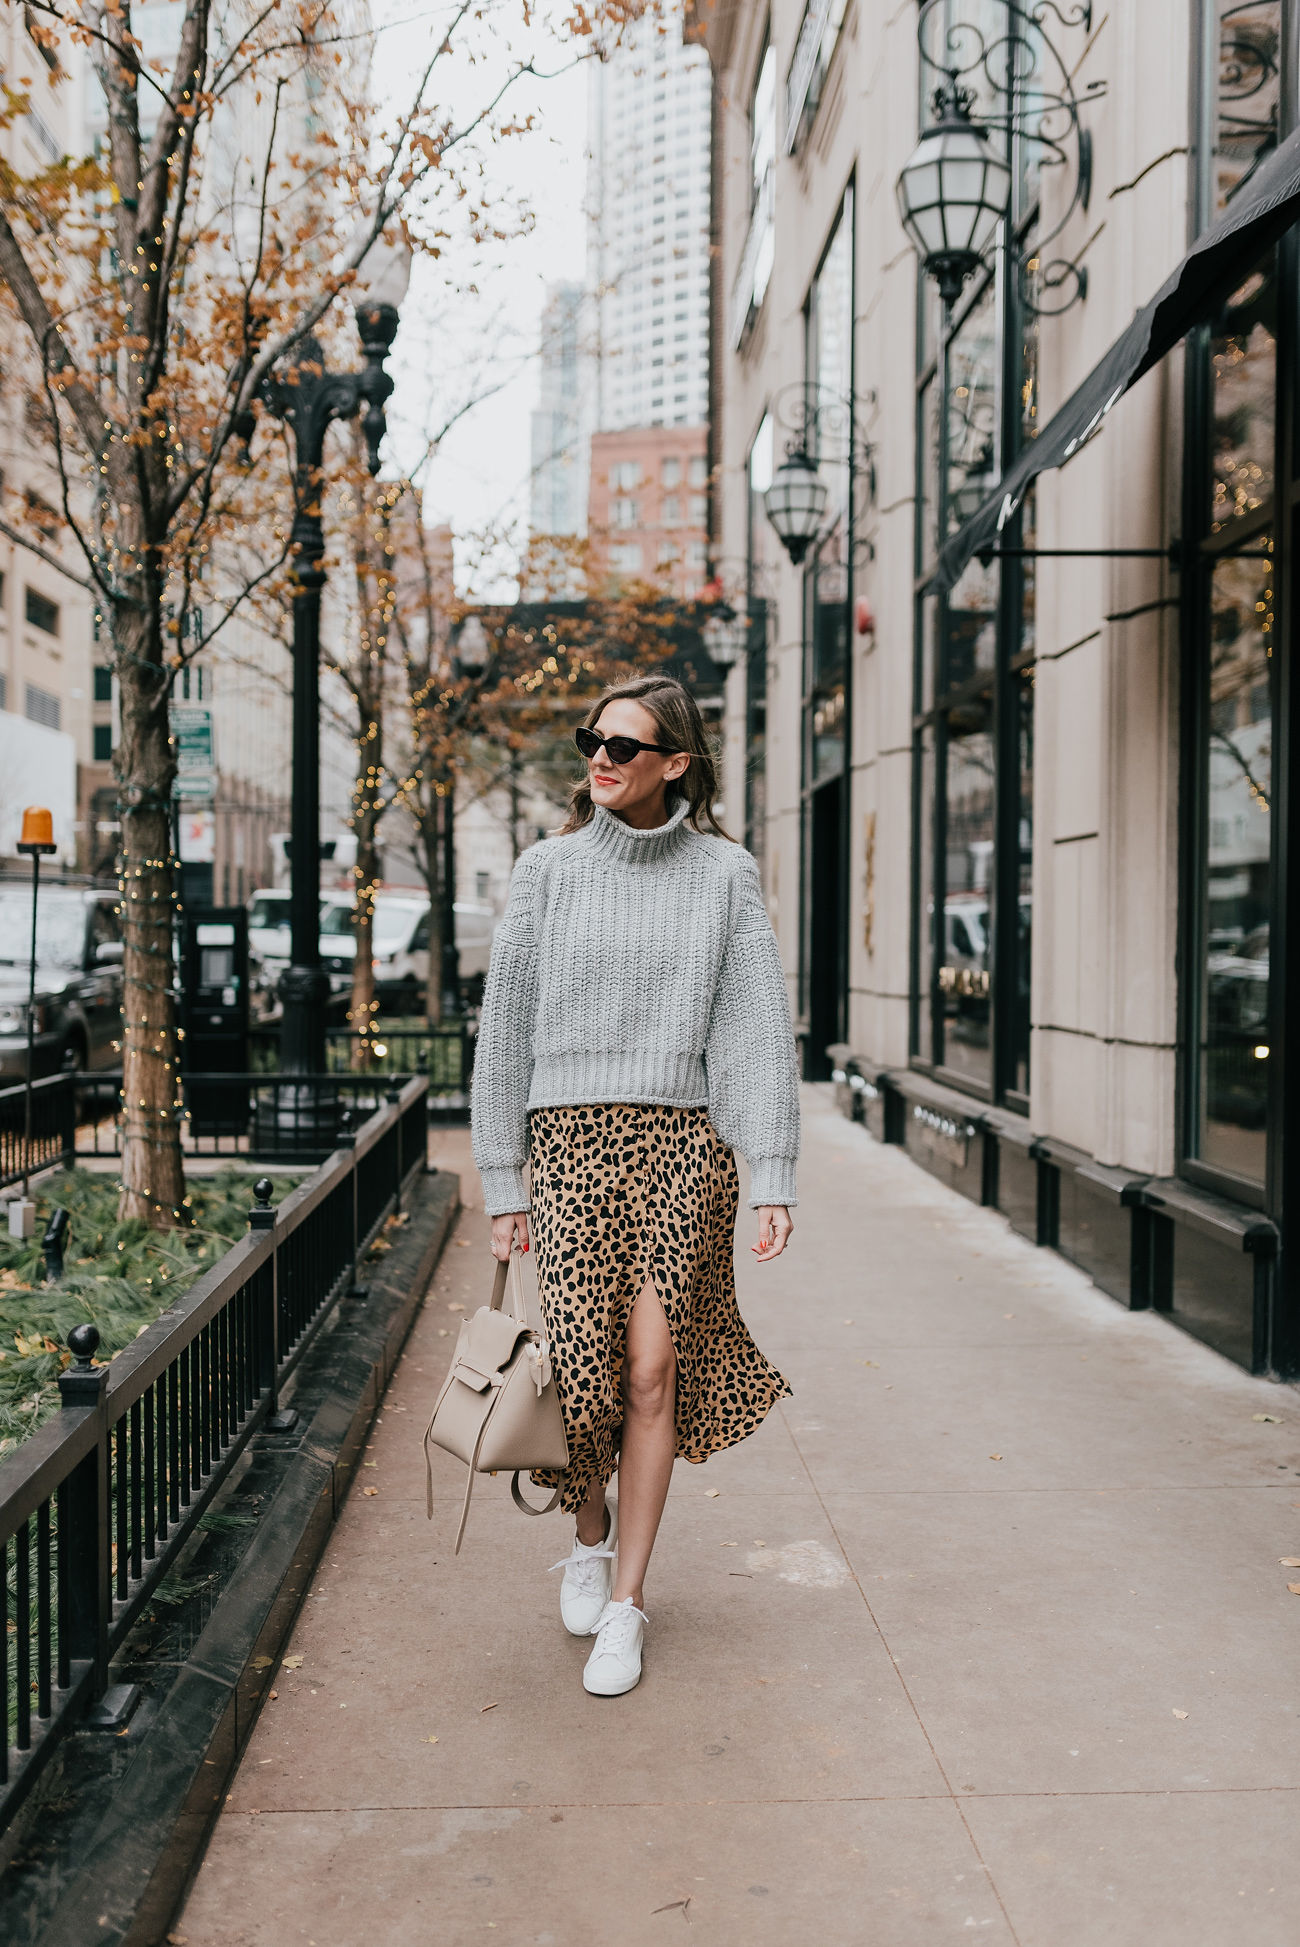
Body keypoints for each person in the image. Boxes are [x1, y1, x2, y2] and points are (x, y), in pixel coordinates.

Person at [470, 675, 799, 1696]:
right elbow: (506, 1026)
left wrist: (770, 1170)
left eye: (623, 744)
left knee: (653, 1372)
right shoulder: (548, 871)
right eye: (592, 740)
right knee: (583, 1370)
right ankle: (586, 1529)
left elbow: (750, 1027)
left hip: (682, 1147)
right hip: (566, 1146)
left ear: (676, 764)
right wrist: (501, 1180)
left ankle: (627, 1604)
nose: (600, 758)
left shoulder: (723, 876)